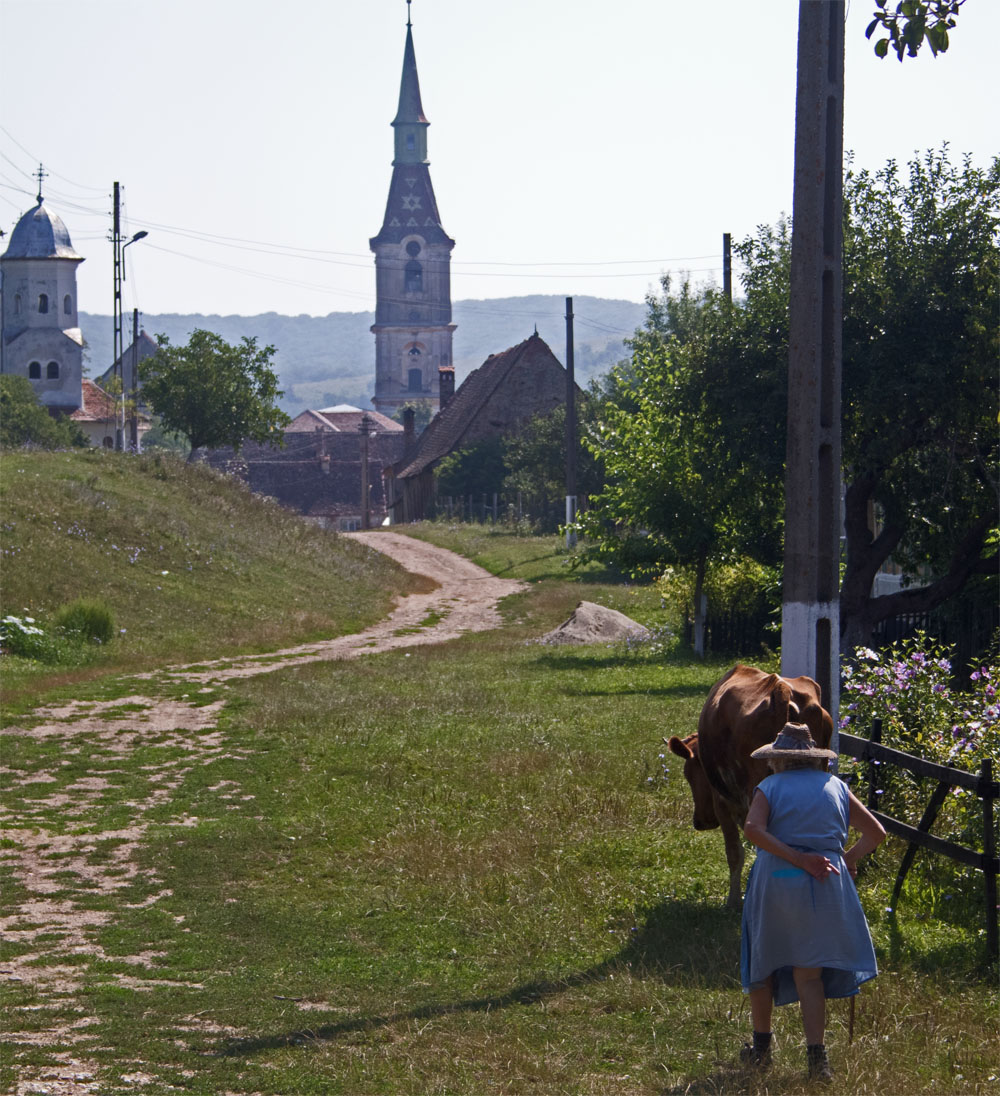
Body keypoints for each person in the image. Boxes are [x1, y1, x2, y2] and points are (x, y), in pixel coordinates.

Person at [739, 721, 886, 1082]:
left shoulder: (770, 786)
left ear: (778, 760)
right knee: (810, 974)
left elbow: (753, 830)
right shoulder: (836, 786)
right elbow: (876, 833)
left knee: (764, 964)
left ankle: (761, 1050)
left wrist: (798, 859)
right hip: (825, 884)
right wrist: (845, 860)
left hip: (779, 879)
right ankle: (816, 1059)